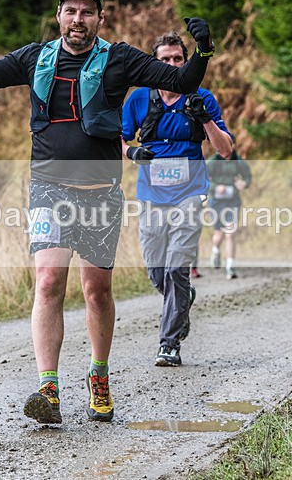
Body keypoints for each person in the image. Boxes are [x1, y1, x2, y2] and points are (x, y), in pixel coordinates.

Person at [0, 0, 214, 423]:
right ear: (59, 16)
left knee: (96, 291)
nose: (78, 19)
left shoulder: (120, 59)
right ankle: (48, 389)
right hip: (49, 189)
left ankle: (99, 376)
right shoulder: (36, 58)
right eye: (71, 11)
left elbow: (181, 81)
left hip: (100, 195)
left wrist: (202, 50)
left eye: (87, 13)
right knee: (49, 281)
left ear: (99, 19)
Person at [121, 31, 232, 367]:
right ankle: (182, 300)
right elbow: (119, 140)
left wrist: (205, 118)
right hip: (151, 196)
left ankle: (169, 343)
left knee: (176, 267)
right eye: (164, 59)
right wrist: (133, 152)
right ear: (154, 63)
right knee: (158, 272)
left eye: (177, 59)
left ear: (186, 62)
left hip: (191, 193)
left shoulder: (202, 97)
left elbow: (225, 150)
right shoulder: (139, 99)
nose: (171, 65)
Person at [206, 142, 252, 279]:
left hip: (233, 201)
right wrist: (215, 187)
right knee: (219, 234)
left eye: (229, 145)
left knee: (230, 233)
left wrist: (244, 184)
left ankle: (230, 266)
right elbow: (203, 180)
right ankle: (216, 250)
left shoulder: (238, 162)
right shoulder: (212, 162)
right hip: (217, 202)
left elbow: (248, 177)